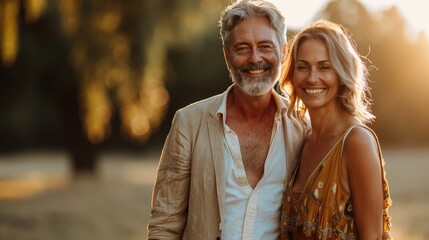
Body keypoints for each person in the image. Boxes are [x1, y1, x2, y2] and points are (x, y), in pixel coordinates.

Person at [147, 0, 308, 239]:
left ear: (283, 53)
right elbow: (165, 224)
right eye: (242, 48)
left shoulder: (304, 128)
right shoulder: (189, 123)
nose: (255, 59)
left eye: (265, 47)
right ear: (226, 57)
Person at [279, 20, 392, 239]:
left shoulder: (356, 141)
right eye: (303, 67)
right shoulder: (303, 140)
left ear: (341, 74)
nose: (312, 78)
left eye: (324, 67)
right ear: (292, 75)